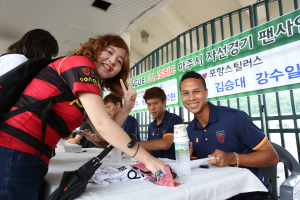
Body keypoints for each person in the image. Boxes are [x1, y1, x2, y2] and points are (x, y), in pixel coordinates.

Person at [0, 34, 167, 200]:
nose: (112, 61)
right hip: (15, 148)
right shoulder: (81, 64)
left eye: (119, 61)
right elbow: (103, 125)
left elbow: (102, 134)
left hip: (30, 155)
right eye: (109, 52)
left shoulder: (85, 89)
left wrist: (127, 108)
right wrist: (148, 160)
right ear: (95, 49)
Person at [179, 70, 279, 199]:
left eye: (196, 91)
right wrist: (187, 158)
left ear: (206, 92)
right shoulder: (190, 129)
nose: (191, 97)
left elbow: (272, 157)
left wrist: (232, 158)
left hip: (248, 193)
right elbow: (203, 164)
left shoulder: (236, 118)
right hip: (215, 193)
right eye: (185, 93)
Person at [137, 87, 183, 160]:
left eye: (155, 103)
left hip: (173, 167)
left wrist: (135, 144)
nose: (152, 108)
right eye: (149, 105)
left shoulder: (175, 120)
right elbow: (150, 150)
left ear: (164, 102)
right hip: (157, 167)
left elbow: (166, 144)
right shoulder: (151, 126)